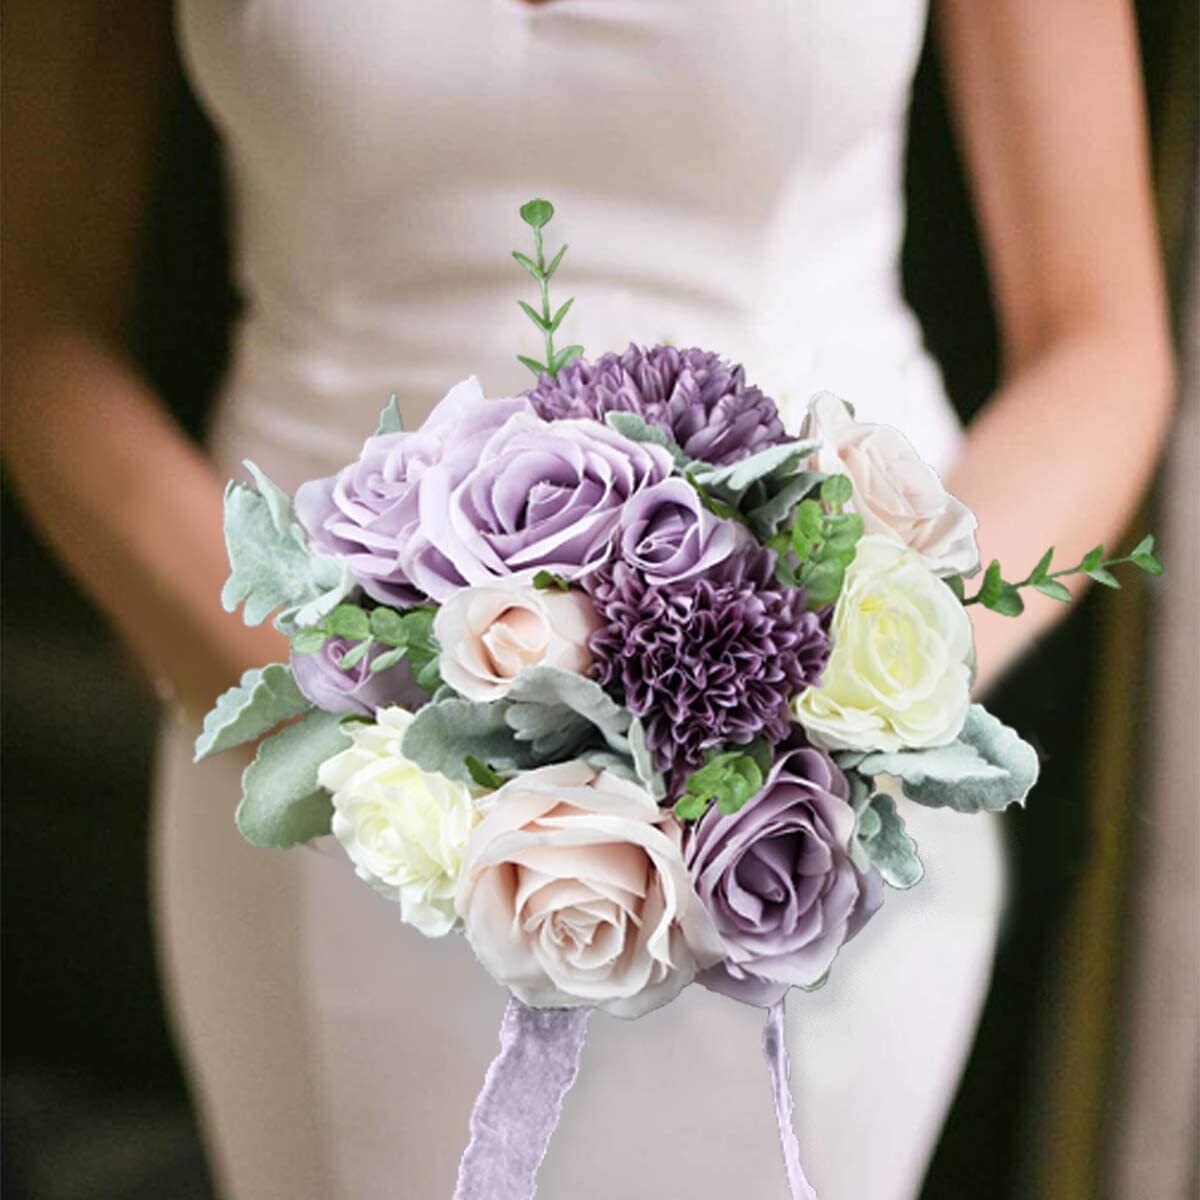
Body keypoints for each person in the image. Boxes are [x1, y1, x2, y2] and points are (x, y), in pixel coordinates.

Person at [2, 2, 1174, 1197]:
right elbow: (33, 318)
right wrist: (322, 708)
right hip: (314, 727)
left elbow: (1099, 337)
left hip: (811, 786)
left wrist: (856, 696)